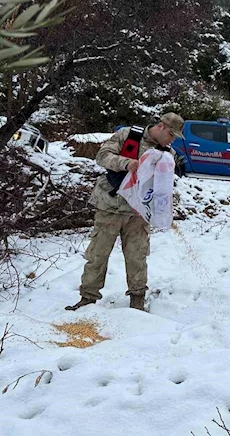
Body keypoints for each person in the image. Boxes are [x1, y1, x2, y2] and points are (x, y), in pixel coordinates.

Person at [66, 113, 183, 312]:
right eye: (171, 134)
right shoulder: (128, 135)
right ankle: (87, 298)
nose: (172, 140)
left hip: (138, 213)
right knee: (98, 254)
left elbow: (162, 186)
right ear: (161, 126)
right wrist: (127, 164)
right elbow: (102, 156)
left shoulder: (166, 153)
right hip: (110, 205)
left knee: (137, 256)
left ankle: (137, 300)